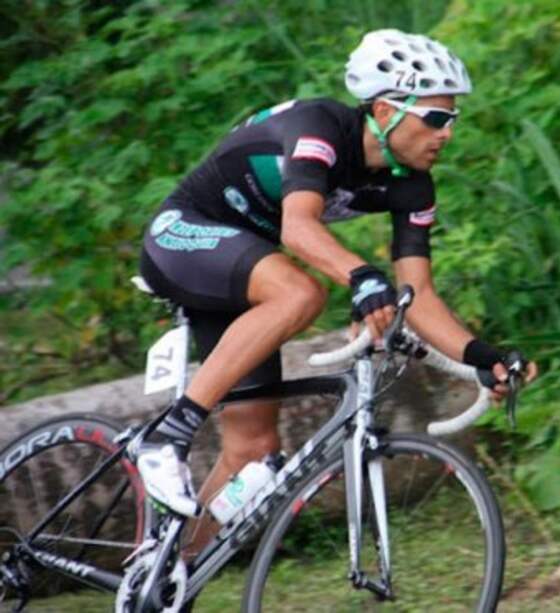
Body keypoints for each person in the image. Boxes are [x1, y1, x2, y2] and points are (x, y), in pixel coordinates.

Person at [134, 29, 539, 535]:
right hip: (184, 235)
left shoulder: (411, 185)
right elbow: (297, 227)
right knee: (302, 292)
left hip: (246, 271)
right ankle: (166, 437)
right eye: (437, 118)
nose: (448, 133)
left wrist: (482, 357)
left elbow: (422, 296)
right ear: (388, 111)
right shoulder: (319, 127)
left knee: (253, 454)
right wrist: (363, 277)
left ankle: (169, 580)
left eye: (453, 119)